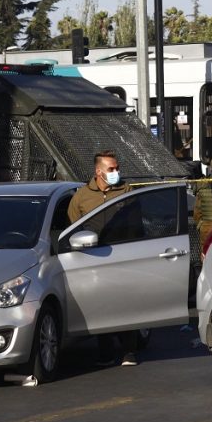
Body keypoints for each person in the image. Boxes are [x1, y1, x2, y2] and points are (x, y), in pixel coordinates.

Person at [67, 151, 139, 367]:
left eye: (117, 168)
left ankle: (129, 351)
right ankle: (105, 352)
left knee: (126, 303)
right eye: (111, 169)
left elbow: (136, 223)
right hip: (95, 258)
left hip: (122, 256)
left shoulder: (126, 191)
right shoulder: (81, 196)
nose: (116, 172)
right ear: (98, 172)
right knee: (101, 304)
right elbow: (74, 224)